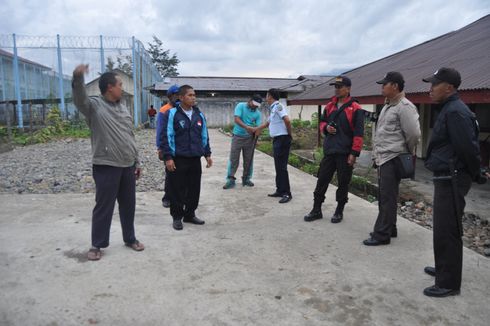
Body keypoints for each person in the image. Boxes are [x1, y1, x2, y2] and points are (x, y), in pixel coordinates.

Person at [72, 64, 144, 261]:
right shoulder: (94, 106)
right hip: (106, 165)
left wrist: (136, 162)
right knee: (104, 206)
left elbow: (129, 136)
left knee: (129, 205)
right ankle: (97, 244)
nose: (122, 88)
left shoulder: (123, 108)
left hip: (127, 165)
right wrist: (78, 78)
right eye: (120, 84)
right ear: (110, 87)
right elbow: (79, 100)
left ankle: (130, 238)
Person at [421, 67, 481, 297]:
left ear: (449, 87)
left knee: (448, 230)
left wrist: (476, 174)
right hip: (445, 177)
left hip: (453, 178)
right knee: (442, 228)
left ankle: (448, 283)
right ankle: (443, 268)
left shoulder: (456, 112)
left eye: (434, 85)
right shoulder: (449, 108)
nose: (430, 90)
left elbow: (468, 149)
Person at [363, 72, 421, 246]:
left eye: (384, 84)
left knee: (387, 197)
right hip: (384, 157)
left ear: (394, 86)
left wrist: (405, 151)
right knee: (387, 195)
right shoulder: (388, 106)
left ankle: (382, 235)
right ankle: (390, 228)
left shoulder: (405, 107)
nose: (382, 87)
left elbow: (414, 134)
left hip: (393, 157)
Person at [303, 76, 364, 223]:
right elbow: (322, 122)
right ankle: (316, 209)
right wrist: (326, 128)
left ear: (348, 89)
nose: (336, 89)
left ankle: (339, 211)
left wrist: (354, 153)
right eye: (335, 87)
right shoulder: (329, 106)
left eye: (340, 87)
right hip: (330, 151)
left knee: (343, 183)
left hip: (345, 153)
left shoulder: (356, 109)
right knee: (322, 180)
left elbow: (359, 133)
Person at [160, 85, 213, 230]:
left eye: (194, 95)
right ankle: (177, 217)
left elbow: (204, 136)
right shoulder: (171, 114)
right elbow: (166, 136)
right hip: (178, 159)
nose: (193, 98)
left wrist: (207, 154)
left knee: (194, 189)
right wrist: (168, 157)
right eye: (190, 95)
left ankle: (190, 214)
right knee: (177, 189)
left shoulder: (198, 115)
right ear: (181, 97)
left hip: (195, 158)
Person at [256, 88, 292, 204]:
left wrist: (289, 134)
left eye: (267, 96)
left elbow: (287, 120)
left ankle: (287, 193)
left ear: (270, 96)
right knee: (278, 166)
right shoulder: (273, 108)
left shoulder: (278, 106)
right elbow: (268, 123)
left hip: (282, 139)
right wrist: (257, 129)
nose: (266, 98)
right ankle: (280, 190)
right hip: (277, 140)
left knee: (282, 167)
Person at [223, 94, 263, 189]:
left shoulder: (257, 113)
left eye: (257, 105)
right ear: (250, 100)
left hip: (250, 139)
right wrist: (247, 127)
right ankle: (230, 179)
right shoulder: (240, 106)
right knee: (234, 159)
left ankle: (246, 178)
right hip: (237, 137)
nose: (255, 106)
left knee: (249, 160)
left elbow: (258, 127)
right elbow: (237, 119)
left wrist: (257, 135)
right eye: (254, 104)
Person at [156, 84, 180, 208]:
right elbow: (160, 130)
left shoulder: (181, 109)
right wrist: (160, 148)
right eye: (175, 95)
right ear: (170, 96)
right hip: (168, 147)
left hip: (180, 148)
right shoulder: (164, 110)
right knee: (170, 174)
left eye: (179, 95)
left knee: (179, 175)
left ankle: (178, 197)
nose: (178, 97)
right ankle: (167, 198)